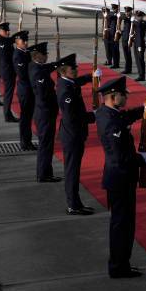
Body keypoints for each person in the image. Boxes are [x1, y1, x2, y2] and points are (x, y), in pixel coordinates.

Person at [95, 76, 146, 278]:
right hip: (120, 177)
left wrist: (144, 110)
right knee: (122, 225)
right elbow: (121, 157)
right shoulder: (111, 123)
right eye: (123, 95)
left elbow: (125, 117)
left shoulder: (108, 113)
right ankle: (119, 266)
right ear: (113, 97)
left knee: (123, 224)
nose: (125, 98)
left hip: (119, 177)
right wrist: (142, 159)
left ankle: (121, 263)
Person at [56, 53, 98, 215]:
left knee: (74, 169)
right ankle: (73, 205)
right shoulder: (66, 91)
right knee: (72, 171)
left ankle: (76, 202)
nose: (76, 70)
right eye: (73, 69)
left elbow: (76, 82)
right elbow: (72, 116)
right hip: (73, 134)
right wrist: (93, 115)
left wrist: (89, 76)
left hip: (74, 133)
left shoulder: (67, 83)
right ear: (63, 71)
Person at [28, 42, 61, 183]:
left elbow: (48, 67)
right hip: (45, 113)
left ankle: (47, 172)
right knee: (45, 145)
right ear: (37, 56)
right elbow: (42, 95)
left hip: (44, 113)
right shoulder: (37, 72)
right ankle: (43, 174)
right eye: (45, 54)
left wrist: (59, 63)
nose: (47, 56)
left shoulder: (36, 66)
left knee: (47, 144)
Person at [12, 30, 36, 151]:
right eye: (23, 41)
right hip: (25, 89)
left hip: (29, 89)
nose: (26, 43)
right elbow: (22, 74)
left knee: (28, 116)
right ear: (17, 42)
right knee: (25, 117)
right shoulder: (18, 55)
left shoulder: (25, 53)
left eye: (27, 40)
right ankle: (25, 142)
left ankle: (27, 140)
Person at [0, 22, 18, 122]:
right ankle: (7, 115)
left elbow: (9, 41)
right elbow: (6, 50)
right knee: (8, 94)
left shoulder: (4, 40)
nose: (8, 32)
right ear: (0, 31)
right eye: (6, 31)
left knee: (10, 93)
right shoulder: (0, 41)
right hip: (7, 71)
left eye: (8, 30)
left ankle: (7, 114)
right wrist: (13, 39)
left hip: (9, 70)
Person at [132, 10, 146, 81]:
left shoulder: (143, 23)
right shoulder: (137, 22)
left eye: (138, 16)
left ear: (141, 17)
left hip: (140, 44)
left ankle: (142, 75)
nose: (137, 17)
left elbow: (138, 25)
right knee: (137, 59)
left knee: (140, 60)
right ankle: (140, 74)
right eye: (136, 16)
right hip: (136, 43)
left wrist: (133, 21)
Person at [120, 6, 134, 74]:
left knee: (128, 54)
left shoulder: (132, 19)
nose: (126, 13)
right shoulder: (126, 17)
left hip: (129, 39)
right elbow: (122, 17)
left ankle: (128, 69)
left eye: (128, 11)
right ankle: (127, 68)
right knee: (126, 54)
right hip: (124, 38)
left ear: (131, 11)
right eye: (126, 11)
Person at [108, 4, 120, 68]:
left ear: (117, 8)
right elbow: (109, 17)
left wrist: (117, 15)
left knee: (116, 50)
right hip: (111, 34)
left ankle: (116, 64)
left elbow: (119, 17)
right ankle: (114, 63)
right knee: (113, 49)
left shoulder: (119, 15)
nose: (113, 10)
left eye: (114, 8)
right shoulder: (112, 14)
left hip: (116, 34)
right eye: (113, 9)